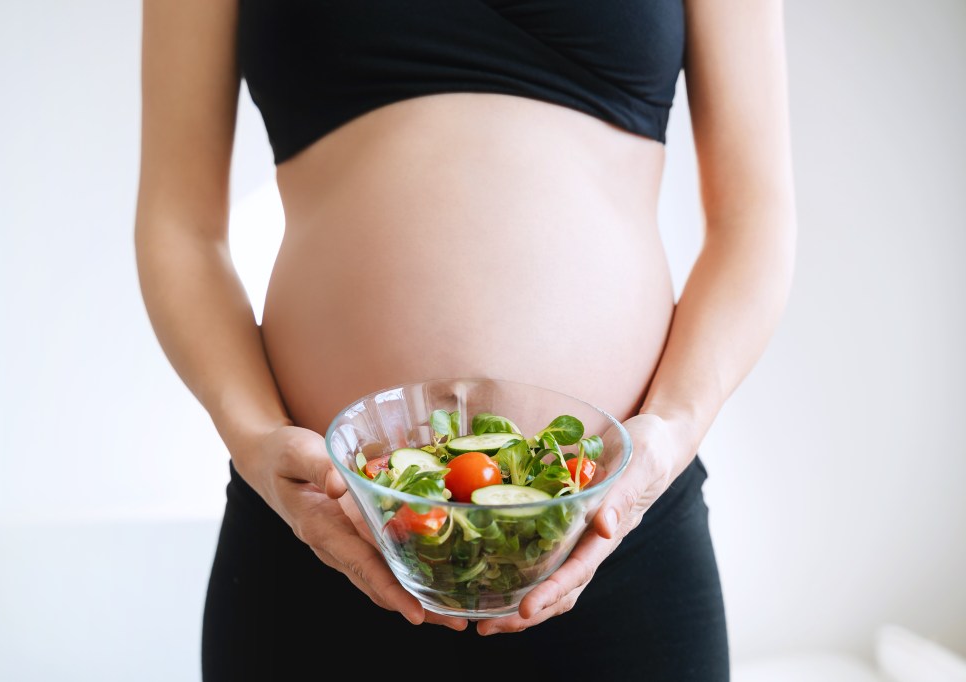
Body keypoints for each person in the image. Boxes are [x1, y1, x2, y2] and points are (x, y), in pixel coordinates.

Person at [134, 0, 796, 680]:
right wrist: (251, 438)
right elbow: (180, 228)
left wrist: (673, 432)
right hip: (321, 523)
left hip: (615, 533)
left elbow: (755, 218)